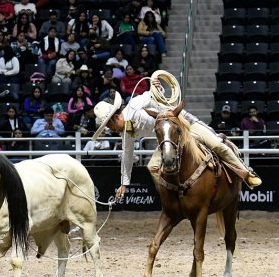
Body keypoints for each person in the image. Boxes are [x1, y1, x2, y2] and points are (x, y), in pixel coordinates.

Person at [91, 77, 262, 201]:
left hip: (184, 123)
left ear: (114, 118)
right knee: (152, 166)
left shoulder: (134, 105)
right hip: (168, 138)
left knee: (218, 145)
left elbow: (150, 95)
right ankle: (173, 195)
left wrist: (155, 85)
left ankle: (247, 174)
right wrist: (124, 184)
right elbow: (127, 156)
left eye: (109, 126)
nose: (110, 130)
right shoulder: (126, 133)